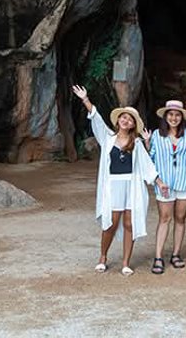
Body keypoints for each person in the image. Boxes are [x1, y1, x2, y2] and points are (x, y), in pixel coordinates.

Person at [72, 84, 164, 276]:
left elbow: (147, 164)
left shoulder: (137, 143)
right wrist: (85, 99)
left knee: (130, 223)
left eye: (130, 120)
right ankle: (103, 257)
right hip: (113, 185)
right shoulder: (108, 138)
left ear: (133, 125)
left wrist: (158, 181)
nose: (126, 121)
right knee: (111, 223)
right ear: (118, 120)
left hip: (131, 185)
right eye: (123, 117)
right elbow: (96, 120)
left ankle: (125, 262)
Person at [142, 99, 186, 274]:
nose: (174, 118)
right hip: (165, 184)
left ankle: (176, 254)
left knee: (181, 218)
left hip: (185, 181)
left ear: (181, 117)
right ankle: (158, 256)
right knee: (164, 218)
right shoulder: (156, 136)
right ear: (165, 116)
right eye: (171, 114)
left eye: (177, 115)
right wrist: (146, 142)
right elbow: (150, 159)